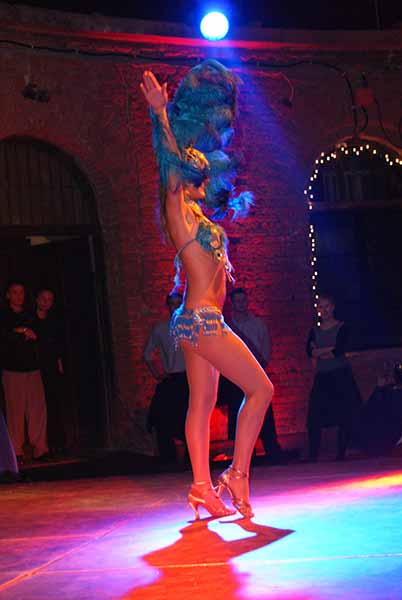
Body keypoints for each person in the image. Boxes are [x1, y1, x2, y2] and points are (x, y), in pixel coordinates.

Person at [141, 60, 274, 519]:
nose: (199, 164)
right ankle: (237, 473)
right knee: (261, 389)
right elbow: (168, 165)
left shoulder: (202, 217)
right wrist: (160, 114)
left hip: (197, 321)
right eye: (191, 163)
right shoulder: (179, 214)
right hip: (202, 321)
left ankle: (201, 486)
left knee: (202, 403)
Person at [221, 288, 296, 464]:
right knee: (239, 412)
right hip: (236, 377)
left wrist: (259, 367)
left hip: (255, 373)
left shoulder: (258, 324)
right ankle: (246, 455)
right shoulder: (227, 326)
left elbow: (265, 349)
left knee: (263, 411)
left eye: (243, 300)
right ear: (232, 303)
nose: (241, 304)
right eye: (238, 301)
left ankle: (271, 448)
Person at [306, 293, 362, 461]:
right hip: (322, 377)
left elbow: (338, 351)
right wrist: (327, 349)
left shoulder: (342, 327)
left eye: (327, 306)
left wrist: (320, 351)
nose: (324, 310)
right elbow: (310, 352)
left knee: (344, 415)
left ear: (333, 307)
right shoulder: (314, 331)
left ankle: (341, 453)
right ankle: (313, 455)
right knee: (314, 416)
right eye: (321, 307)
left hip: (340, 376)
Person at [0, 281, 48, 464]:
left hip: (33, 367)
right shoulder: (4, 315)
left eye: (21, 292)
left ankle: (40, 449)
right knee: (15, 411)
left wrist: (26, 331)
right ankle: (16, 451)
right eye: (15, 292)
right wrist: (21, 332)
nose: (19, 296)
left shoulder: (29, 314)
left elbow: (39, 335)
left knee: (37, 410)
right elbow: (5, 336)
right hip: (13, 369)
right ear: (8, 295)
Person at [143, 292, 189, 466]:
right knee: (167, 419)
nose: (175, 307)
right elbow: (147, 354)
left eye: (178, 304)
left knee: (190, 419)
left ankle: (192, 459)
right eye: (172, 304)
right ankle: (170, 460)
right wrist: (157, 373)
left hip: (191, 378)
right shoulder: (161, 328)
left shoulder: (192, 327)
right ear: (168, 306)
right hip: (174, 378)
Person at [34, 288, 65, 456]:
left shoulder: (54, 320)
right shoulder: (30, 318)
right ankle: (39, 444)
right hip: (35, 367)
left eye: (50, 299)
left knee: (54, 403)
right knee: (39, 405)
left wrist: (59, 363)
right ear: (37, 299)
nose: (46, 302)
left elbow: (57, 344)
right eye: (43, 298)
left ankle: (57, 443)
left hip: (51, 366)